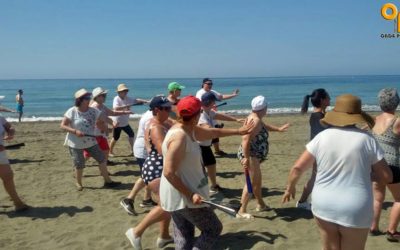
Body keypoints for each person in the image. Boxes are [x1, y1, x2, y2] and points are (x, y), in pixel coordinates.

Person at [282, 94, 392, 250]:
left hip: (324, 203)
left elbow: (297, 168)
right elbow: (386, 176)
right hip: (355, 206)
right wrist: (365, 174)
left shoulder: (322, 137)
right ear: (357, 116)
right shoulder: (366, 140)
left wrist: (290, 187)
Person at [157, 95, 254, 250]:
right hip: (185, 196)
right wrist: (190, 194)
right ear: (196, 115)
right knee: (213, 229)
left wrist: (238, 131)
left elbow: (212, 133)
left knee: (184, 237)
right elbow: (168, 172)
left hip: (177, 196)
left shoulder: (188, 129)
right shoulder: (180, 136)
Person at [125, 96, 174, 249]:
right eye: (166, 108)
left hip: (159, 166)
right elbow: (162, 150)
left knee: (165, 203)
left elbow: (181, 125)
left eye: (169, 108)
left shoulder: (164, 123)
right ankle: (136, 232)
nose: (169, 111)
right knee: (168, 204)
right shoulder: (155, 126)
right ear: (156, 110)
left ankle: (164, 236)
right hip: (155, 168)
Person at [237, 96, 290, 218]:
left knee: (257, 181)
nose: (267, 109)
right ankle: (241, 210)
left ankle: (260, 204)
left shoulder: (256, 118)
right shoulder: (254, 121)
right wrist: (246, 158)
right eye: (266, 107)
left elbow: (264, 126)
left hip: (252, 155)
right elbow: (245, 140)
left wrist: (279, 129)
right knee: (250, 182)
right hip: (250, 155)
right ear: (263, 108)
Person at [60, 89, 120, 191]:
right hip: (75, 143)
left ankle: (108, 181)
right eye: (86, 98)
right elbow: (62, 125)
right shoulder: (72, 111)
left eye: (89, 97)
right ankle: (78, 183)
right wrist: (75, 131)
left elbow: (104, 118)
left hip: (91, 141)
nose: (89, 100)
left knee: (102, 159)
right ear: (80, 100)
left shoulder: (93, 111)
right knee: (79, 164)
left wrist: (112, 124)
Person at [198, 92, 245, 194]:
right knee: (203, 168)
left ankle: (213, 186)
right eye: (214, 101)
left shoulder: (208, 111)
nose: (215, 103)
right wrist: (236, 131)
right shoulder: (202, 114)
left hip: (204, 146)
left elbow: (219, 115)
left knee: (210, 164)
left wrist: (236, 119)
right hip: (198, 146)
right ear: (210, 102)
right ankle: (204, 189)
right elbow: (206, 129)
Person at [370, 88, 400, 242]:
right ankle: (392, 231)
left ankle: (373, 227)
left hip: (376, 164)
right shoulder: (397, 121)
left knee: (377, 198)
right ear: (396, 102)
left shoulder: (375, 119)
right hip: (392, 166)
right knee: (399, 199)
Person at [296, 89, 331, 210]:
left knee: (315, 177)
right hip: (321, 152)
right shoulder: (321, 117)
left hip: (316, 150)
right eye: (328, 97)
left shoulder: (316, 116)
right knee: (318, 177)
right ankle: (304, 201)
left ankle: (302, 201)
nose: (330, 99)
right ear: (322, 100)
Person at [120, 109, 157, 215]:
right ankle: (129, 199)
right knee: (146, 176)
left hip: (144, 149)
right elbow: (149, 135)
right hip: (144, 150)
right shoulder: (151, 118)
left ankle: (147, 199)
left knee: (147, 176)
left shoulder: (149, 114)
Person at [83, 87, 133, 165]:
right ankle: (78, 166)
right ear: (97, 97)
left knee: (106, 150)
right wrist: (107, 129)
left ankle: (104, 164)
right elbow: (97, 123)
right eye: (103, 95)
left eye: (105, 95)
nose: (105, 97)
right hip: (94, 135)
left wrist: (125, 112)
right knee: (88, 154)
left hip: (101, 134)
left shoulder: (102, 105)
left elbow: (112, 113)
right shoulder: (94, 107)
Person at [196, 78, 240, 156]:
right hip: (205, 115)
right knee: (212, 131)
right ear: (203, 84)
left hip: (210, 114)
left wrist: (233, 95)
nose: (210, 85)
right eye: (208, 84)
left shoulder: (212, 93)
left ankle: (217, 150)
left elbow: (221, 97)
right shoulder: (200, 93)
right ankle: (211, 149)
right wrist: (238, 131)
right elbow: (201, 104)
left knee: (215, 130)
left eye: (211, 84)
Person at [109, 83, 149, 157]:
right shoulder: (116, 98)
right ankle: (110, 151)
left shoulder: (128, 98)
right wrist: (127, 106)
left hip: (125, 123)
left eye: (126, 91)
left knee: (131, 134)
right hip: (117, 122)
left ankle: (133, 150)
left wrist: (146, 101)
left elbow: (136, 100)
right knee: (115, 137)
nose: (125, 92)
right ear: (119, 92)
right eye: (124, 91)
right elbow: (116, 108)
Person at [0, 114, 29, 211]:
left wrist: (11, 132)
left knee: (8, 176)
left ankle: (18, 203)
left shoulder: (0, 118)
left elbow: (10, 127)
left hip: (1, 153)